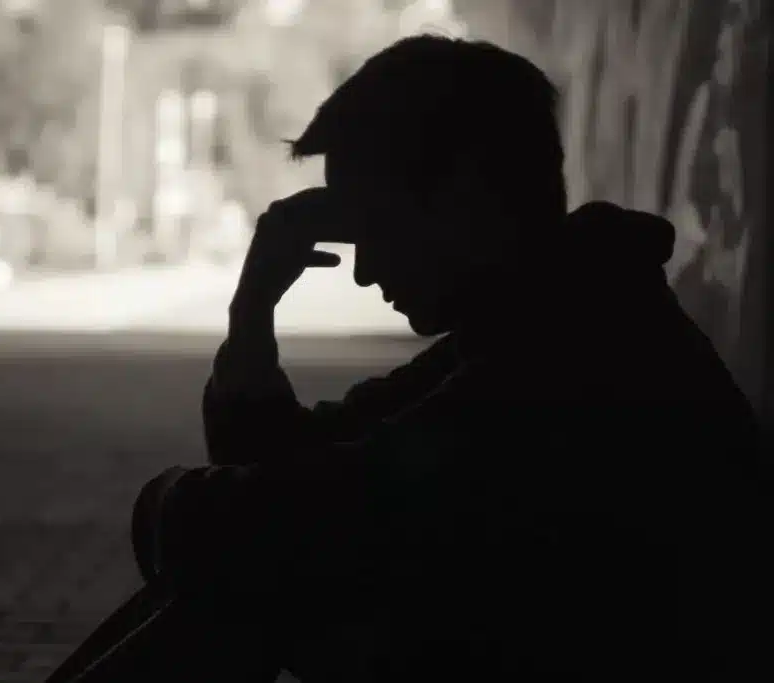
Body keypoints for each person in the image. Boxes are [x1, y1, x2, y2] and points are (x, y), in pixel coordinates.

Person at [125, 35, 769, 682]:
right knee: (253, 586)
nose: (364, 270)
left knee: (254, 586)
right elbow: (299, 461)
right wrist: (252, 313)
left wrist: (162, 506)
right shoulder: (533, 317)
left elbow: (323, 509)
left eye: (377, 225)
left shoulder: (581, 350)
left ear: (466, 197)